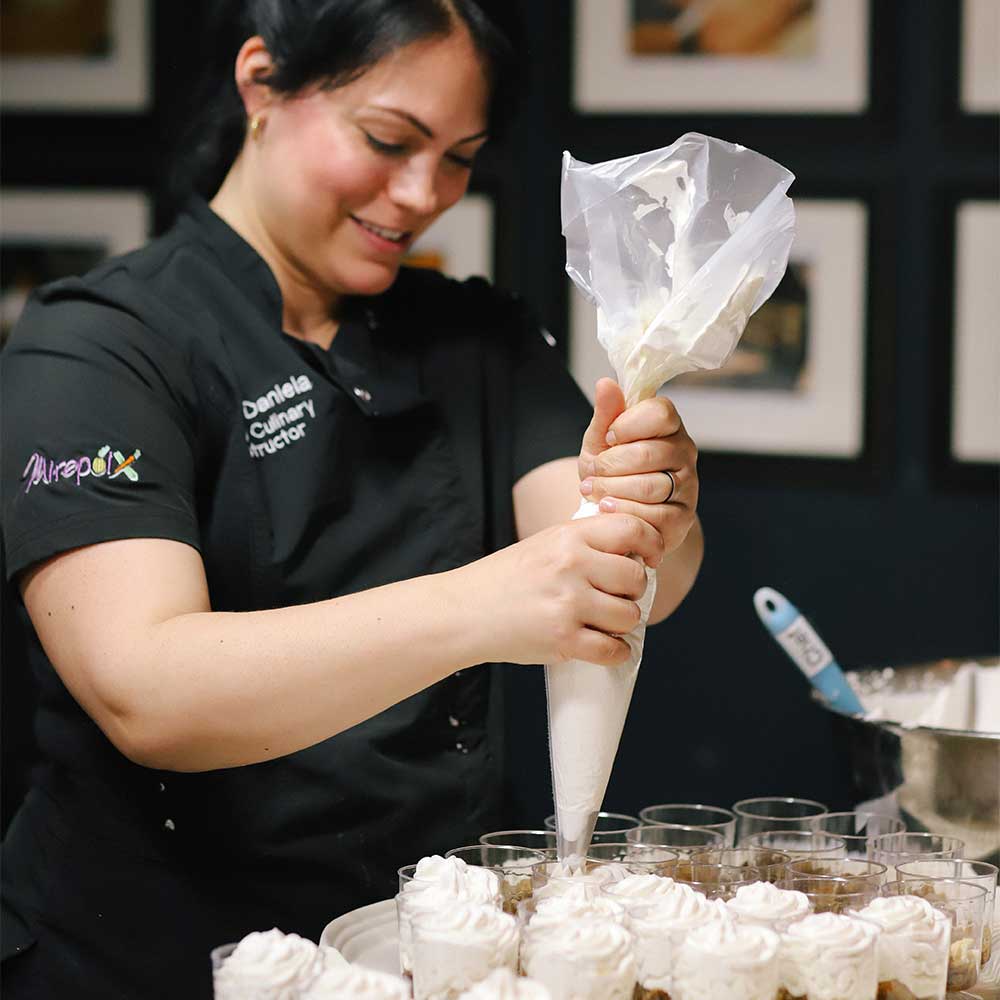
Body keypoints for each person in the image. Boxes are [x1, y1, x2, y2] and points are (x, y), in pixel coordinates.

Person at [0, 1, 704, 995]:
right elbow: (145, 688)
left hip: (421, 940)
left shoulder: (475, 337)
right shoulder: (97, 345)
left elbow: (637, 578)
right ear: (262, 84)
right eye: (387, 139)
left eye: (459, 156)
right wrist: (492, 602)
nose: (422, 194)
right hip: (149, 952)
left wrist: (654, 505)